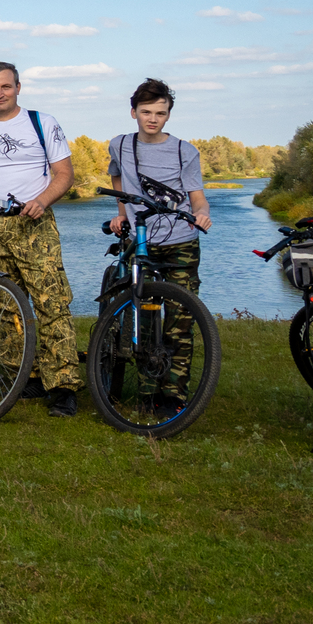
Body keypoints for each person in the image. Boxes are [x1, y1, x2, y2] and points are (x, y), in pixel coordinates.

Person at [0, 61, 79, 416]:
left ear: (18, 87)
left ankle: (64, 386)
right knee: (1, 306)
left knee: (51, 303)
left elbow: (64, 173)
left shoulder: (43, 123)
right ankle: (31, 376)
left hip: (33, 223)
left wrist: (42, 200)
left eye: (5, 87)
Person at [106, 78, 212, 406]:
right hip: (141, 242)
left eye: (160, 113)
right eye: (146, 111)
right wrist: (122, 212)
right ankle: (147, 393)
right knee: (145, 317)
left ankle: (174, 394)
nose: (153, 119)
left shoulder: (184, 150)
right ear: (133, 112)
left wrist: (202, 214)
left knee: (180, 319)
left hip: (180, 242)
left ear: (169, 115)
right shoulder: (120, 145)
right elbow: (117, 178)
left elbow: (197, 198)